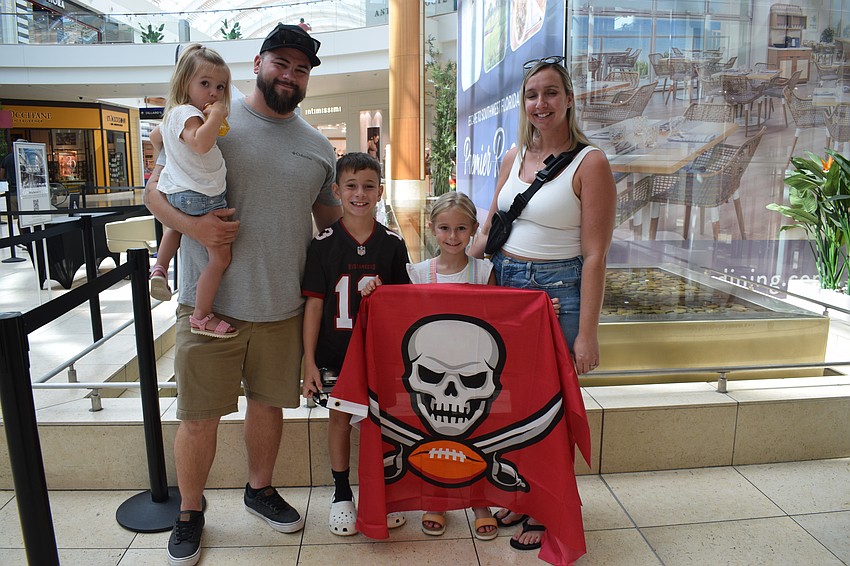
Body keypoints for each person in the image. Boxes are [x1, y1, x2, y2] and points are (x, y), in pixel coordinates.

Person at [144, 23, 341, 566]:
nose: (290, 74)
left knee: (269, 405)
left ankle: (260, 489)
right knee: (198, 415)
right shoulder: (213, 120)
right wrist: (198, 230)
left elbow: (330, 222)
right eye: (281, 62)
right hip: (210, 305)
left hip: (283, 306)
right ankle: (189, 512)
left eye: (300, 69)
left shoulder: (318, 146)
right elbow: (153, 195)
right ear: (258, 63)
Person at [470, 55, 616, 552]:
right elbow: (490, 228)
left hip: (559, 294)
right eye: (532, 95)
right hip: (507, 288)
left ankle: (548, 505)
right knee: (513, 402)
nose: (540, 103)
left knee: (550, 410)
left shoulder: (590, 162)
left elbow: (595, 255)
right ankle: (521, 491)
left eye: (551, 93)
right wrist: (442, 268)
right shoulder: (514, 157)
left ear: (569, 99)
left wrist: (587, 333)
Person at [301, 152, 410, 537]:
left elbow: (402, 307)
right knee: (339, 420)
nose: (359, 193)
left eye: (368, 186)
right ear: (336, 191)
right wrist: (309, 361)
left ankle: (379, 490)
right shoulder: (323, 244)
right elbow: (314, 304)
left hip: (377, 355)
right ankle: (341, 493)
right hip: (335, 354)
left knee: (378, 423)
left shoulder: (393, 245)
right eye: (351, 186)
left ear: (380, 191)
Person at [405, 191, 499, 541]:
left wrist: (539, 308)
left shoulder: (484, 271)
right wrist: (374, 290)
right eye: (445, 228)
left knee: (477, 437)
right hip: (433, 373)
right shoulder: (417, 274)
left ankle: (479, 502)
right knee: (435, 435)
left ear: (474, 229)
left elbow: (501, 320)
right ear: (432, 229)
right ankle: (437, 498)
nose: (453, 236)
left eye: (461, 228)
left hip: (473, 372)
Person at [149, 44, 237, 338]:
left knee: (176, 226)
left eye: (220, 87)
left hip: (180, 192)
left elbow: (156, 135)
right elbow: (200, 143)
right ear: (184, 82)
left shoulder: (173, 114)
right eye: (205, 84)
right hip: (201, 196)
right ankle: (201, 315)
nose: (213, 92)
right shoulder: (189, 113)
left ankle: (160, 267)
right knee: (220, 258)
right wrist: (217, 116)